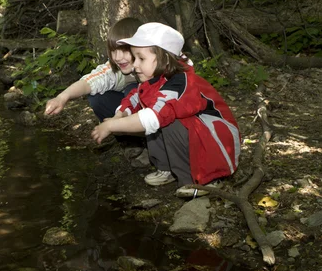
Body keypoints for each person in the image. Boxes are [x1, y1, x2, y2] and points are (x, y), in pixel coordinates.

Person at [91, 22, 240, 198]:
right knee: (158, 117)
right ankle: (167, 168)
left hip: (216, 141)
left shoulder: (179, 82)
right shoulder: (156, 78)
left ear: (164, 59)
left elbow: (154, 116)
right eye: (134, 57)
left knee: (165, 119)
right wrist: (120, 114)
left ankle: (199, 180)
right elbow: (136, 97)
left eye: (141, 58)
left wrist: (110, 126)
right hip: (200, 136)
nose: (135, 64)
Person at [44, 17, 142, 122]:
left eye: (124, 50)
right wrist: (62, 97)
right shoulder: (116, 69)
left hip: (153, 114)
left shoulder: (156, 66)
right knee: (97, 98)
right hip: (125, 110)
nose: (117, 57)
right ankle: (125, 134)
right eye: (113, 51)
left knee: (133, 89)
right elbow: (89, 82)